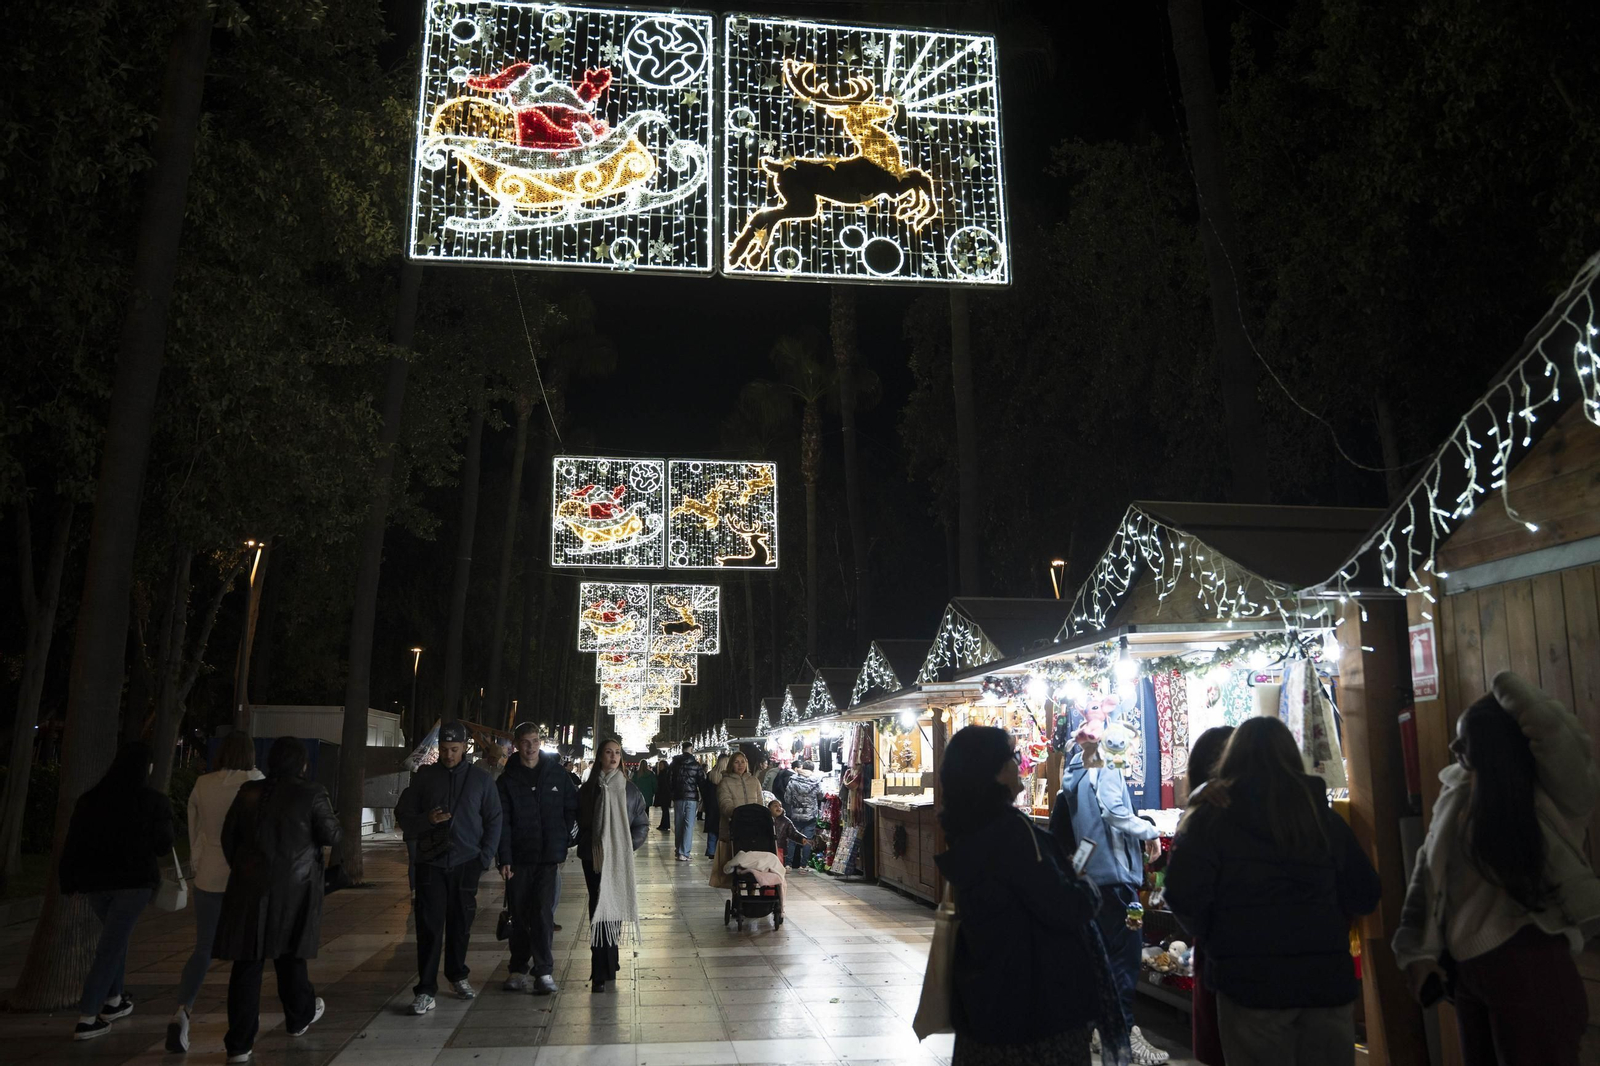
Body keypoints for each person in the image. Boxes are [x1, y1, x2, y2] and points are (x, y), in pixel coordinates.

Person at [1393, 672, 1600, 1066]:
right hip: (1470, 972)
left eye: (1465, 737)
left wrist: (1501, 686)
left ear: (1492, 744)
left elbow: (1553, 733)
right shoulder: (1455, 796)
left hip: (1533, 963)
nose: (1453, 747)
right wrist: (1417, 953)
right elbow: (1427, 879)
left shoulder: (1554, 794)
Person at [1164, 716, 1380, 1066]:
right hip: (1325, 985)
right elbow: (1365, 893)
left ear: (1231, 760)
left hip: (1250, 987)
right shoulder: (1325, 821)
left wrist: (1218, 936)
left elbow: (1183, 895)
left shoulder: (1210, 821)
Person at [936, 726, 1131, 1066]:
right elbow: (1064, 906)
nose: (1021, 764)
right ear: (996, 771)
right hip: (1036, 1005)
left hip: (988, 999)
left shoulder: (971, 830)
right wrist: (1082, 884)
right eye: (1014, 757)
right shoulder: (1013, 833)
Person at [210, 737, 341, 1064]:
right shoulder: (312, 793)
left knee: (247, 965)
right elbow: (332, 834)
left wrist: (246, 870)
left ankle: (239, 1044)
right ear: (302, 764)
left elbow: (229, 840)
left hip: (248, 889)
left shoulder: (248, 793)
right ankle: (299, 1016)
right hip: (294, 891)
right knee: (291, 956)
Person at [1052, 721, 1168, 1065]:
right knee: (1123, 959)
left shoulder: (1079, 770)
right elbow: (1115, 812)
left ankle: (1097, 1032)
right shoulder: (1108, 767)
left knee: (1098, 960)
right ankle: (1123, 1036)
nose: (1131, 752)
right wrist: (1149, 830)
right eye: (1130, 744)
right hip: (1116, 879)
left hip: (1092, 876)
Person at [59, 741, 175, 1041]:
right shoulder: (153, 802)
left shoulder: (90, 800)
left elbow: (73, 843)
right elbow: (163, 846)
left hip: (95, 884)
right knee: (110, 946)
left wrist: (68, 880)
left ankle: (113, 1000)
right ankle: (88, 1016)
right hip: (133, 883)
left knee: (115, 937)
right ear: (145, 767)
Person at [396, 720, 503, 1015]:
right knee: (429, 927)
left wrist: (484, 858)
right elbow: (403, 814)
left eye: (454, 749)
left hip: (466, 862)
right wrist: (426, 822)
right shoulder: (425, 778)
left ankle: (458, 974)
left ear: (464, 748)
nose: (448, 755)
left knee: (460, 924)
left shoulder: (481, 781)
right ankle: (426, 988)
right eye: (444, 749)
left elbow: (494, 819)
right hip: (431, 862)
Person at [167, 732, 264, 1053]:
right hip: (244, 878)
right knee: (247, 954)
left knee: (204, 948)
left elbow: (195, 832)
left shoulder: (202, 784)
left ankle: (183, 1011)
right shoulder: (256, 781)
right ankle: (240, 1027)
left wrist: (198, 865)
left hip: (208, 875)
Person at [496, 722, 578, 995]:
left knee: (543, 914)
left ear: (540, 743)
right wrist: (504, 857)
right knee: (519, 915)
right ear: (516, 744)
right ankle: (518, 968)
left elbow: (571, 807)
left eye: (534, 741)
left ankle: (543, 970)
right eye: (525, 742)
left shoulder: (556, 774)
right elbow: (502, 821)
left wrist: (564, 836)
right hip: (519, 858)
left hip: (548, 858)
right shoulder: (507, 779)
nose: (530, 747)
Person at [575, 737, 648, 991]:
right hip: (593, 858)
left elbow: (641, 824)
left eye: (617, 752)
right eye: (608, 752)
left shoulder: (630, 790)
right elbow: (578, 822)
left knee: (613, 908)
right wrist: (589, 841)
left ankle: (610, 959)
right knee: (599, 908)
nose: (613, 757)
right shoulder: (588, 790)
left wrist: (627, 844)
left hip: (618, 858)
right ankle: (599, 970)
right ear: (600, 756)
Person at [1181, 726, 1234, 1066]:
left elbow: (1183, 898)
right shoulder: (1308, 809)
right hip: (1319, 980)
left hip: (1231, 965)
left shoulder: (1206, 817)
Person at [712, 751, 763, 889]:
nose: (740, 765)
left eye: (743, 761)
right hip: (734, 828)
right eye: (736, 762)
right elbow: (725, 803)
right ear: (731, 765)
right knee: (735, 861)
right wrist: (737, 815)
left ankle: (752, 888)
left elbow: (760, 803)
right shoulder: (725, 782)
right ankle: (737, 891)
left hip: (753, 829)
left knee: (752, 862)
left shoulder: (754, 781)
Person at [666, 740, 704, 861]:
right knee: (689, 825)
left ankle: (678, 850)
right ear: (691, 749)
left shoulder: (674, 764)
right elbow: (701, 781)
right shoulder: (696, 764)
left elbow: (669, 780)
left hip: (678, 797)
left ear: (682, 749)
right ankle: (684, 852)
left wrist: (672, 793)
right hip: (692, 798)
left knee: (679, 823)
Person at [784, 761, 822, 869]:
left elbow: (787, 798)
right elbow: (821, 795)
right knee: (808, 839)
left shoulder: (793, 780)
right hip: (810, 815)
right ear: (812, 770)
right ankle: (803, 865)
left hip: (796, 815)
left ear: (802, 768)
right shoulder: (816, 781)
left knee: (793, 839)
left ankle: (788, 864)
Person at [770, 799, 809, 867]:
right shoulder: (765, 819)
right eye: (775, 806)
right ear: (769, 808)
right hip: (768, 850)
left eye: (780, 806)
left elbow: (793, 833)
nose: (778, 808)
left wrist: (801, 838)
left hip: (780, 849)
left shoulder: (786, 821)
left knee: (779, 868)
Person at [703, 754, 726, 858]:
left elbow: (705, 791)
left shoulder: (710, 774)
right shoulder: (727, 776)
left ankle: (711, 850)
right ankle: (721, 851)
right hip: (722, 805)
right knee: (722, 828)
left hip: (711, 805)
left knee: (712, 829)